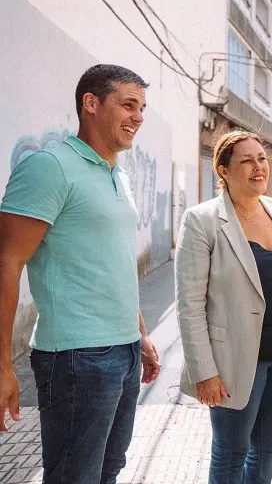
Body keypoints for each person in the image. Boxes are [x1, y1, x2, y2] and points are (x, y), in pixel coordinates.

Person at [0, 64, 161, 483]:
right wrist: (2, 365)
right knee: (75, 477)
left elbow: (112, 262)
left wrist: (139, 334)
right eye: (128, 105)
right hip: (76, 358)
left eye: (142, 108)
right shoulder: (48, 166)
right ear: (91, 103)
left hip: (123, 353)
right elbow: (7, 262)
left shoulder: (116, 174)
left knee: (109, 470)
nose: (138, 117)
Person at [175, 130, 272, 483]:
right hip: (233, 363)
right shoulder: (202, 220)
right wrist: (204, 371)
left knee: (267, 450)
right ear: (223, 170)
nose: (258, 167)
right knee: (231, 454)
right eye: (247, 160)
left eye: (262, 158)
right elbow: (189, 304)